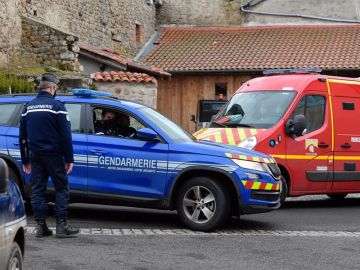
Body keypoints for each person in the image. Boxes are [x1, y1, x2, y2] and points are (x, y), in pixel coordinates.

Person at [19, 73, 79, 238]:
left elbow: (22, 136)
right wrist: (69, 159)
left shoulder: (28, 107)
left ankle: (40, 226)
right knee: (61, 188)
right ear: (52, 88)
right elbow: (66, 135)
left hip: (35, 155)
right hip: (53, 155)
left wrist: (25, 159)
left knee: (37, 189)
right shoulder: (57, 107)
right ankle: (61, 226)